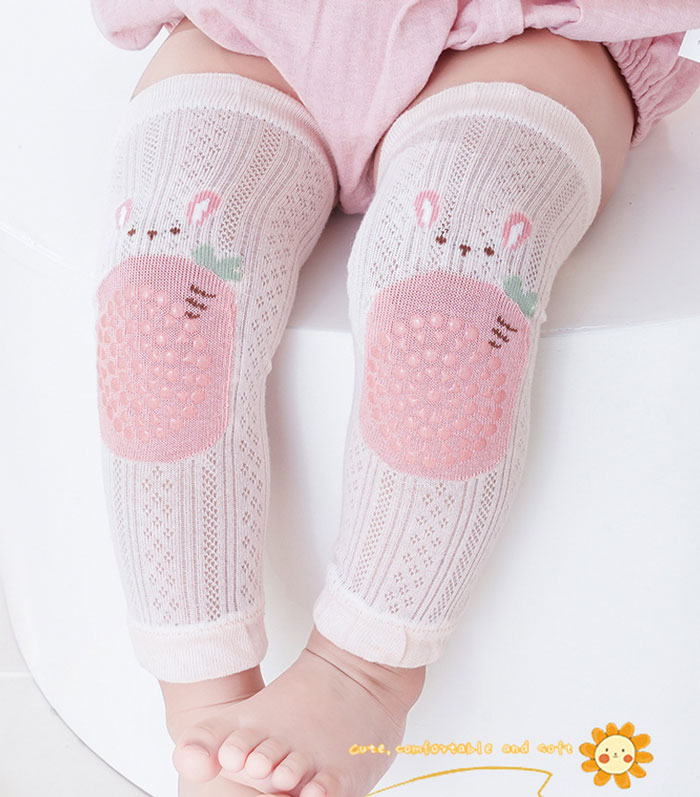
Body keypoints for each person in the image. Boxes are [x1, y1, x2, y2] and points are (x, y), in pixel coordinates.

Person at [90, 3, 700, 795]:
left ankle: (363, 671)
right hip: (253, 26)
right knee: (161, 290)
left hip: (527, 33)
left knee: (453, 292)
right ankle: (205, 700)